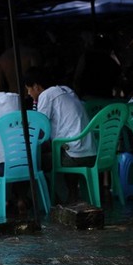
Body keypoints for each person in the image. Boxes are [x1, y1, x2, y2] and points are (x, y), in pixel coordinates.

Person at [25, 66, 96, 202]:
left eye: (28, 88)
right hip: (91, 153)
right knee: (49, 151)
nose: (28, 93)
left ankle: (54, 200)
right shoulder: (67, 90)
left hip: (74, 156)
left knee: (34, 162)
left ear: (36, 86)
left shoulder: (46, 95)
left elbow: (39, 130)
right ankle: (68, 195)